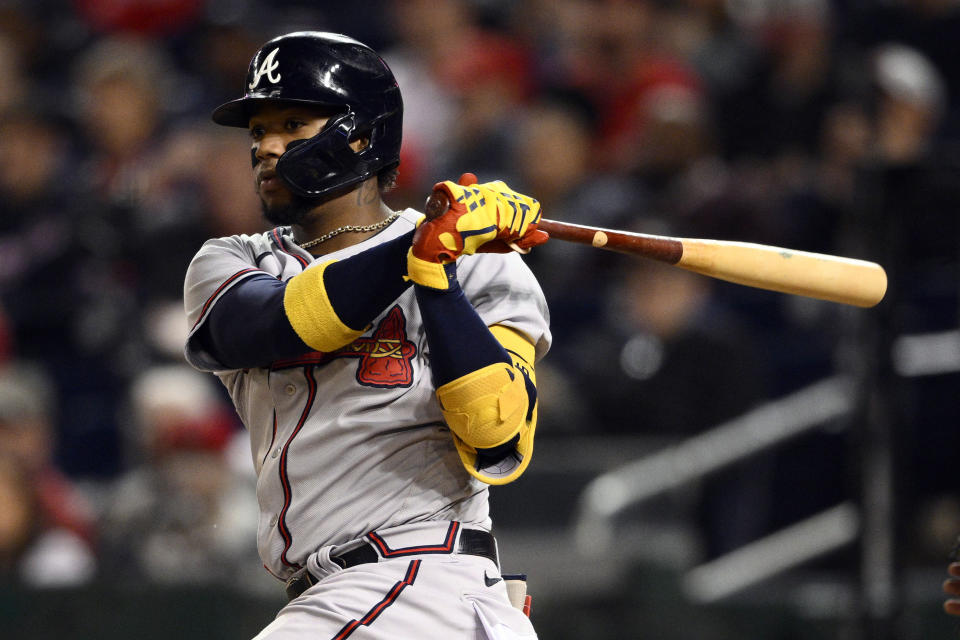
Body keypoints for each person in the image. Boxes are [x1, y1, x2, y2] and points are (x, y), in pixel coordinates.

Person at [182, 32, 550, 639]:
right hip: (340, 596)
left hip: (420, 582)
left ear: (360, 134)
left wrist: (437, 278)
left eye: (293, 124)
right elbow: (278, 327)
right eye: (257, 132)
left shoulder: (482, 264)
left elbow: (495, 437)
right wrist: (420, 249)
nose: (266, 147)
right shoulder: (230, 262)